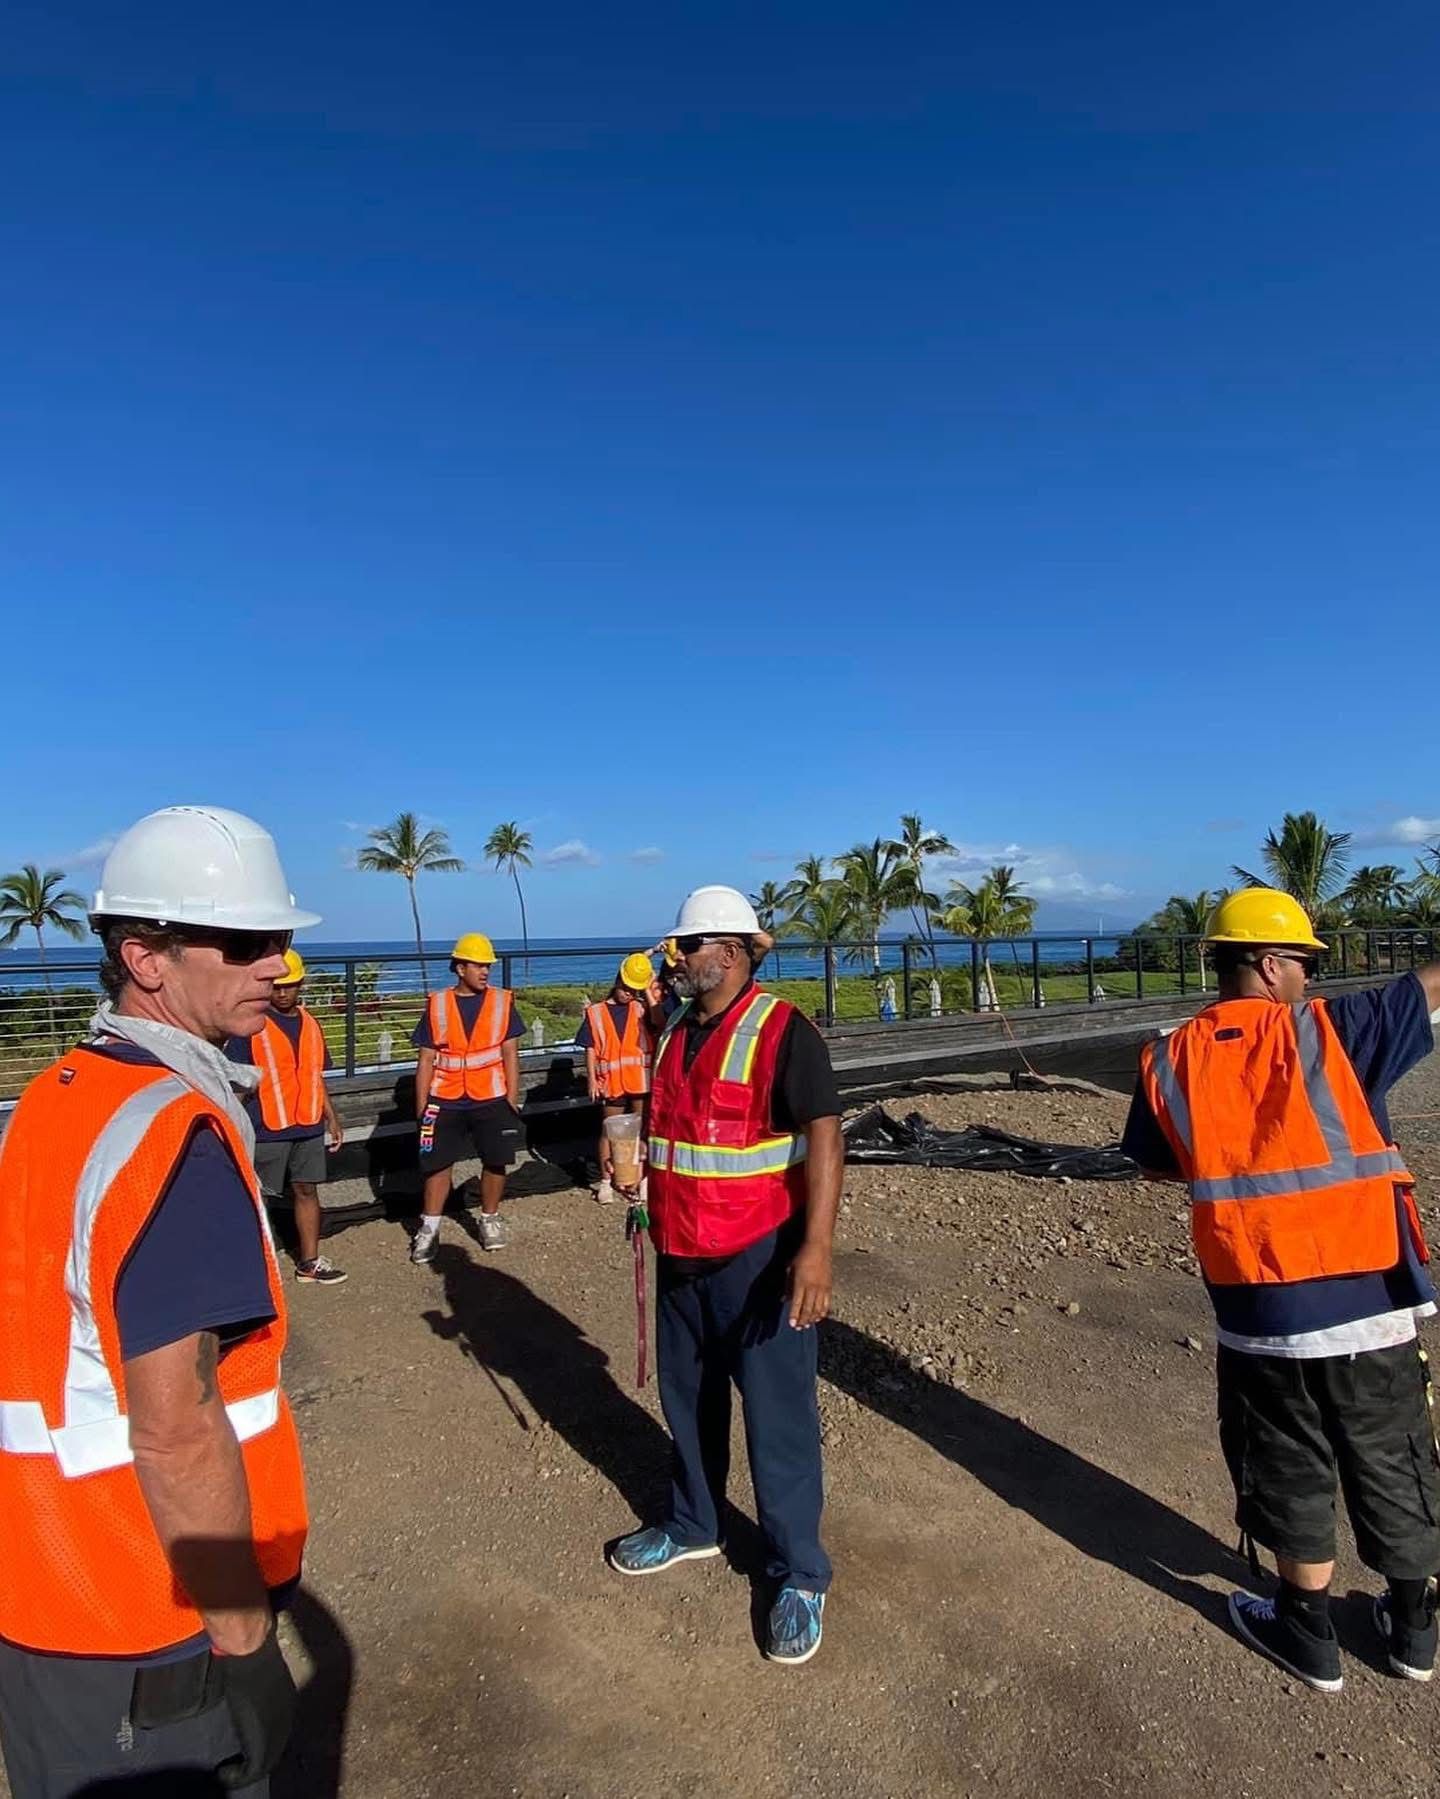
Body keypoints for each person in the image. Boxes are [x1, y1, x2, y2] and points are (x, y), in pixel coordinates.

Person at [0, 806, 315, 1796]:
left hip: (39, 1584)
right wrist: (244, 1638)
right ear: (144, 955)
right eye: (248, 941)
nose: (280, 964)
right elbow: (177, 1431)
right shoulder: (169, 1138)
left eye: (284, 940)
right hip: (143, 1614)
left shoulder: (53, 1096)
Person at [1123, 887, 1440, 1693]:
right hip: (1367, 1294)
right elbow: (1433, 988)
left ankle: (1307, 1629)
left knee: (1286, 1460)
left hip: (1257, 1307)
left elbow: (1156, 1158)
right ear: (1269, 962)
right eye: (1303, 962)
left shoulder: (1167, 1058)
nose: (1308, 978)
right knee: (1393, 1452)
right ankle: (1413, 1627)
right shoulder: (1335, 1031)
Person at [607, 885, 843, 1667]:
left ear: (734, 951)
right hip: (679, 1251)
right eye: (679, 945)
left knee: (777, 1419)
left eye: (691, 945)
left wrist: (815, 1248)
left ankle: (799, 1572)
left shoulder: (783, 1031)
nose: (677, 958)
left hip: (759, 1256)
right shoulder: (674, 1028)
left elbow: (825, 1137)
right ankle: (694, 1524)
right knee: (689, 1399)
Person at [227, 949, 347, 1285]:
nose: (282, 992)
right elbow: (239, 1083)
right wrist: (232, 1124)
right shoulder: (250, 1025)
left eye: (289, 986)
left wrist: (331, 1117)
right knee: (256, 1198)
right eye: (276, 986)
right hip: (265, 1128)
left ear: (300, 984)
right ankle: (251, 1269)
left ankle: (309, 1263)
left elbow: (315, 1075)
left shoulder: (311, 1024)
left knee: (307, 1190)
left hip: (307, 1123)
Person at [409, 932, 526, 1263]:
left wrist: (511, 1099)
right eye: (478, 965)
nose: (485, 971)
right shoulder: (438, 1004)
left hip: (491, 1096)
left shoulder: (503, 1002)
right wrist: (422, 1109)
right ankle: (429, 1229)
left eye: (488, 965)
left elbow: (511, 1055)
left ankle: (489, 1219)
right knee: (437, 1165)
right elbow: (426, 1059)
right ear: (460, 968)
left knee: (496, 1159)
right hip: (444, 1097)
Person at [576, 952, 663, 1204]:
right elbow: (590, 1047)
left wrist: (647, 991)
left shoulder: (641, 1008)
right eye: (626, 987)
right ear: (617, 981)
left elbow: (659, 1021)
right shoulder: (596, 1012)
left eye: (633, 989)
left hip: (639, 1079)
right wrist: (591, 1079)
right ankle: (606, 1181)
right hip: (611, 1081)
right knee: (609, 1131)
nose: (628, 993)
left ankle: (641, 1178)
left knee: (641, 1132)